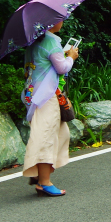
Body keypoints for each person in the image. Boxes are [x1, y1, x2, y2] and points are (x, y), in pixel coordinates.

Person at [22, 20, 79, 196]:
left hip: (33, 93)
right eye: (60, 18)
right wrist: (71, 57)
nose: (62, 20)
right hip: (47, 97)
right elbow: (61, 68)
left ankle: (39, 173)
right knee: (46, 138)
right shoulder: (51, 41)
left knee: (57, 133)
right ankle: (44, 182)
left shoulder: (34, 40)